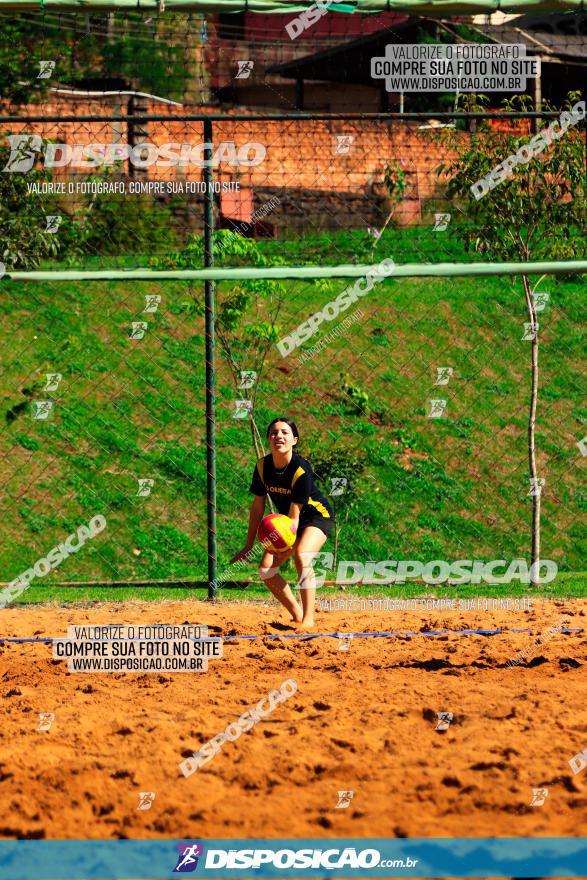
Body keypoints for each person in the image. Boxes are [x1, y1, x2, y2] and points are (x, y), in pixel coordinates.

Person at [230, 418, 334, 630]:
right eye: (274, 433)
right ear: (268, 439)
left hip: (315, 516)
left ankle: (308, 619)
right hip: (286, 521)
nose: (279, 436)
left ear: (294, 440)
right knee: (266, 570)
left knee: (302, 555)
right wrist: (248, 545)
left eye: (285, 432)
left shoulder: (301, 469)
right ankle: (296, 614)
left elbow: (295, 517)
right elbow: (257, 508)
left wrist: (285, 551)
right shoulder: (262, 466)